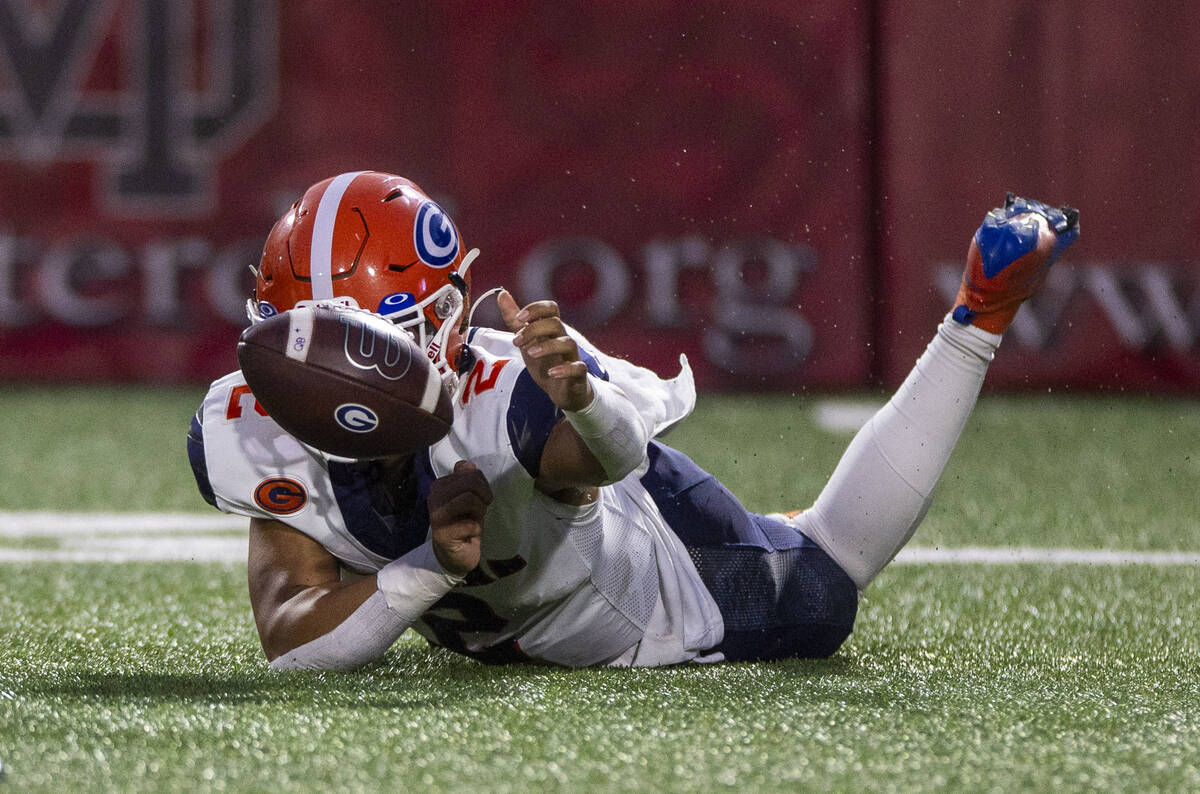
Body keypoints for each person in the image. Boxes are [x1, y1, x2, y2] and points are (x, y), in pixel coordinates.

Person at [187, 171, 1079, 669]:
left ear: (449, 322)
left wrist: (578, 398)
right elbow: (288, 641)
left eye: (367, 342)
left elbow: (611, 459)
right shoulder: (258, 424)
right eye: (305, 337)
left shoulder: (508, 397)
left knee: (821, 589)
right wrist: (426, 569)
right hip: (512, 604)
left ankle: (978, 316)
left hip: (631, 580)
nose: (328, 369)